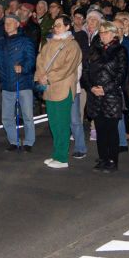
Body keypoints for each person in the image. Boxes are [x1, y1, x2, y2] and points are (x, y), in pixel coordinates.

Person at [36, 15, 82, 169]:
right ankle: (56, 154)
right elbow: (40, 61)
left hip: (63, 88)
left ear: (68, 26)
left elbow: (67, 68)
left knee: (62, 124)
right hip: (49, 89)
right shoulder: (49, 43)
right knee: (54, 123)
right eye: (55, 25)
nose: (56, 27)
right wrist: (40, 77)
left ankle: (62, 158)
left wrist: (47, 77)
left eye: (59, 25)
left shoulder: (72, 45)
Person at [82, 20, 128, 173]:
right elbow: (86, 72)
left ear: (114, 33)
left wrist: (105, 88)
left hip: (111, 96)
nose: (103, 35)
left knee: (111, 130)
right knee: (100, 130)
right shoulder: (93, 50)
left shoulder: (120, 50)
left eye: (106, 32)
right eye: (101, 32)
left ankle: (112, 161)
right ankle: (102, 159)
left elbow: (121, 75)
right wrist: (91, 88)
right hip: (95, 96)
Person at [0, 13, 36, 152]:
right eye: (5, 22)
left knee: (27, 116)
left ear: (17, 24)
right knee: (6, 117)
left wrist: (23, 68)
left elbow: (31, 60)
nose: (7, 24)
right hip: (7, 85)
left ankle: (28, 142)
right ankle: (14, 141)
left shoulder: (26, 41)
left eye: (10, 22)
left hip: (23, 84)